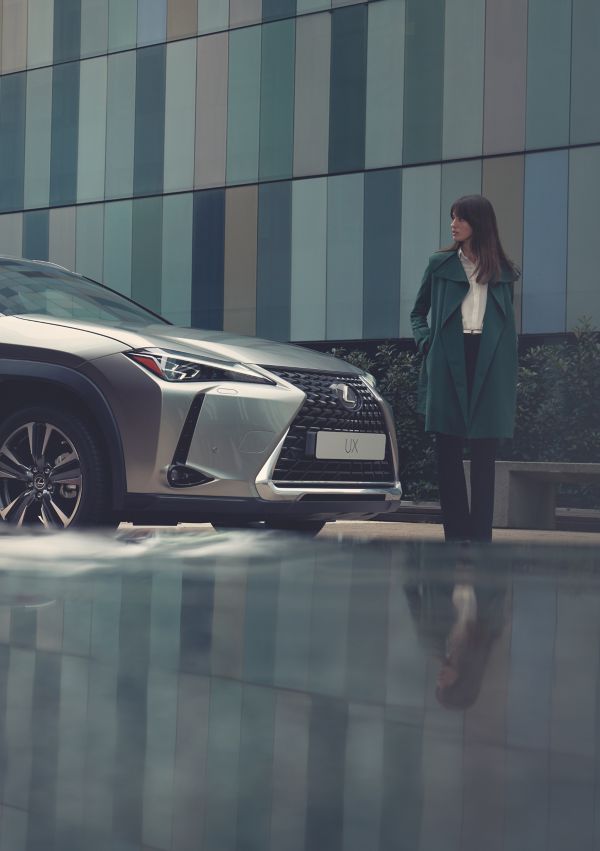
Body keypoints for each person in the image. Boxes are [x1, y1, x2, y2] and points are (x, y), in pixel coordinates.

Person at [410, 195, 519, 542]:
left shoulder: (501, 271)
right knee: (448, 449)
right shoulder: (440, 264)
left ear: (479, 224)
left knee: (485, 450)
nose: (453, 224)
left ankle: (480, 536)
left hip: (488, 358)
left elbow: (506, 324)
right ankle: (456, 535)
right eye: (452, 217)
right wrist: (427, 342)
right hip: (448, 356)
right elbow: (418, 312)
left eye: (460, 218)